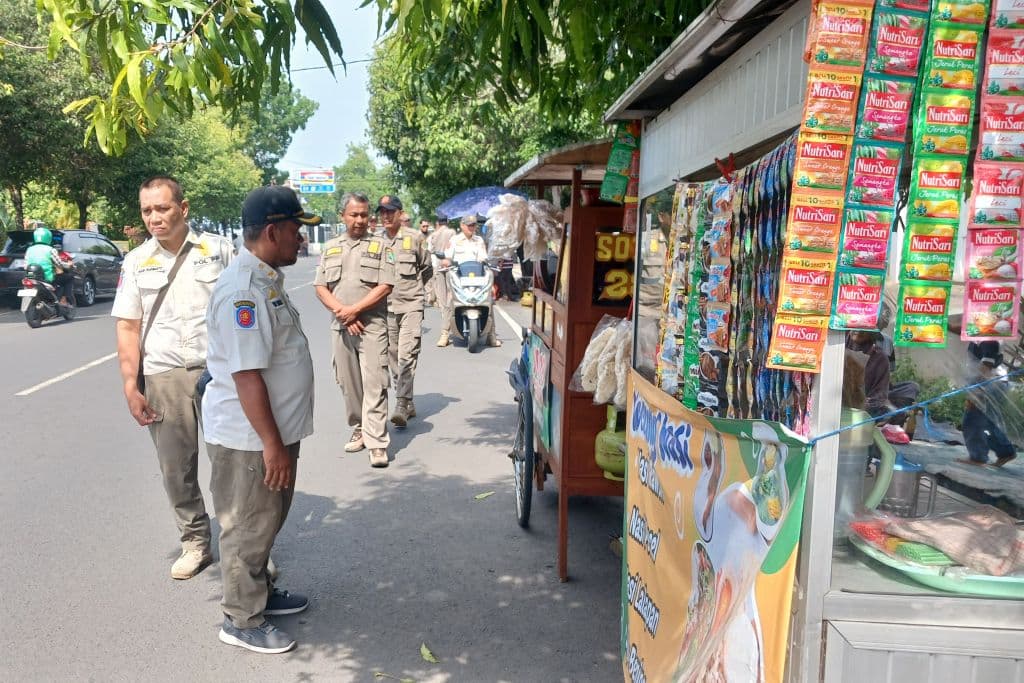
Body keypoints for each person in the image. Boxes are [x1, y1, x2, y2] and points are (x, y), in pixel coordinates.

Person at [202, 185, 317, 654]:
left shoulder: (265, 280)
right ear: (272, 231)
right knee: (247, 527)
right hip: (250, 438)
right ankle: (241, 618)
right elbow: (247, 376)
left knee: (266, 521)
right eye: (295, 229)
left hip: (270, 433)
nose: (301, 239)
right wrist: (272, 444)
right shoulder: (243, 291)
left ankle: (260, 593)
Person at [111, 175, 234, 580]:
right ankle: (195, 542)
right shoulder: (136, 261)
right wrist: (130, 384)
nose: (154, 217)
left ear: (183, 208)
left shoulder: (218, 250)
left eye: (162, 208)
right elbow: (128, 326)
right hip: (163, 375)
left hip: (220, 373)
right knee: (175, 469)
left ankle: (243, 548)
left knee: (232, 463)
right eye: (147, 210)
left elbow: (244, 309)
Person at [314, 192, 396, 467]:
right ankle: (360, 427)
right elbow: (320, 287)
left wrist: (355, 310)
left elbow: (385, 286)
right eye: (354, 215)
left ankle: (377, 442)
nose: (359, 220)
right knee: (348, 383)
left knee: (375, 382)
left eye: (364, 214)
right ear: (343, 216)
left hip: (372, 326)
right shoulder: (331, 247)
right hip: (341, 326)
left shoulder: (381, 246)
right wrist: (344, 314)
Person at [379, 197, 433, 427]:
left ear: (400, 214)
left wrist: (416, 293)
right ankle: (408, 401)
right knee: (392, 357)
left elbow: (427, 268)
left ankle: (401, 403)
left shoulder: (414, 238)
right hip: (386, 307)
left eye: (390, 212)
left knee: (407, 354)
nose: (386, 216)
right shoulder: (376, 241)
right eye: (382, 212)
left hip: (411, 305)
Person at [441, 214, 501, 347]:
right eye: (469, 225)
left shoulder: (479, 240)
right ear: (462, 225)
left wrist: (489, 264)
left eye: (474, 225)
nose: (472, 227)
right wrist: (446, 261)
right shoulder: (455, 240)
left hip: (476, 278)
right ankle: (444, 334)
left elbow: (483, 258)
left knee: (488, 301)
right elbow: (448, 257)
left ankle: (491, 335)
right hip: (459, 277)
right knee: (450, 301)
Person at [961, 341, 1018, 467]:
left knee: (973, 421)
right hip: (993, 383)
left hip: (988, 384)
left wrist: (977, 392)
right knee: (988, 422)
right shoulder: (980, 336)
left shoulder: (988, 338)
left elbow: (987, 365)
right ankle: (1006, 452)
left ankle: (978, 457)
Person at [24, 227, 74, 305]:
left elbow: (25, 266)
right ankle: (63, 300)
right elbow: (59, 264)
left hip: (31, 277)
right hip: (47, 278)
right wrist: (68, 265)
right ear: (48, 238)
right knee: (69, 278)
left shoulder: (29, 249)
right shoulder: (50, 250)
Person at [429, 215, 456, 346]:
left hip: (438, 267)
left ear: (438, 223)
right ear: (447, 221)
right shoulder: (452, 232)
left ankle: (445, 326)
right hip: (450, 266)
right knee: (450, 297)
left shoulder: (434, 235)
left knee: (442, 299)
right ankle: (446, 329)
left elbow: (431, 250)